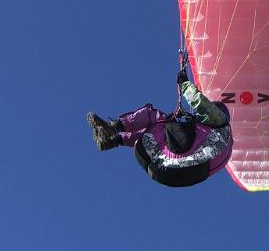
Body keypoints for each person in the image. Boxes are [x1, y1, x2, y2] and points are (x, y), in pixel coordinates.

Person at [87, 69, 233, 187]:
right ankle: (114, 139)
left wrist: (184, 84)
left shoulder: (220, 120)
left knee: (156, 119)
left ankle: (116, 127)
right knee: (156, 131)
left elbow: (200, 103)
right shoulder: (222, 144)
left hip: (165, 162)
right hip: (164, 172)